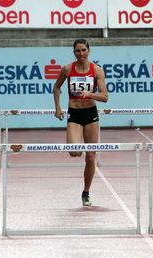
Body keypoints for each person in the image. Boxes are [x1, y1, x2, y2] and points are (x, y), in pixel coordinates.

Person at [53, 39, 108, 207]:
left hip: (91, 113)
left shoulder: (96, 70)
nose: (81, 53)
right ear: (74, 52)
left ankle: (86, 192)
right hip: (74, 113)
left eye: (84, 50)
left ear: (89, 51)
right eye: (78, 51)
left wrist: (90, 94)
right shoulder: (67, 69)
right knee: (74, 152)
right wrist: (58, 108)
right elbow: (56, 88)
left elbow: (105, 97)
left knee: (91, 157)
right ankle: (80, 146)